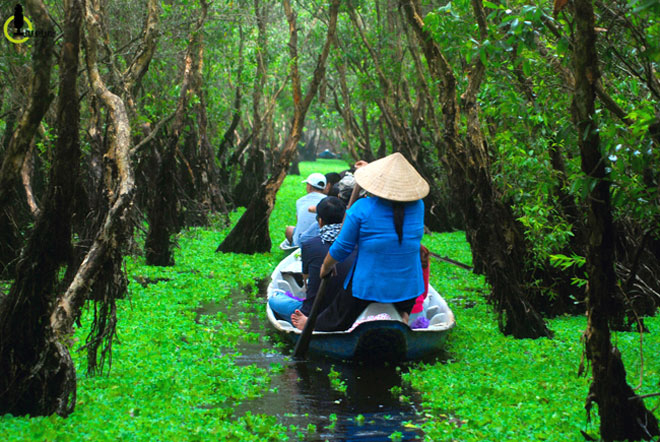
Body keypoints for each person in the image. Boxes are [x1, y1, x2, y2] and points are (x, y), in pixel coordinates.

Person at [291, 152, 429, 331]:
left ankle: (312, 324)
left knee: (338, 313)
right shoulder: (418, 206)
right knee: (401, 299)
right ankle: (403, 318)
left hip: (369, 289)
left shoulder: (361, 209)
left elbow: (342, 248)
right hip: (409, 289)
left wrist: (326, 267)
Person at [269, 197, 355, 324]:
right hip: (347, 312)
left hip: (312, 314)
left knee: (274, 299)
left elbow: (306, 283)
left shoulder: (310, 244)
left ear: (320, 221)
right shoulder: (356, 244)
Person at [285, 173, 327, 247]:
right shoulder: (329, 201)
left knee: (289, 229)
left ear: (309, 186)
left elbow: (298, 221)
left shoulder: (300, 201)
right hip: (320, 242)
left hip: (299, 242)